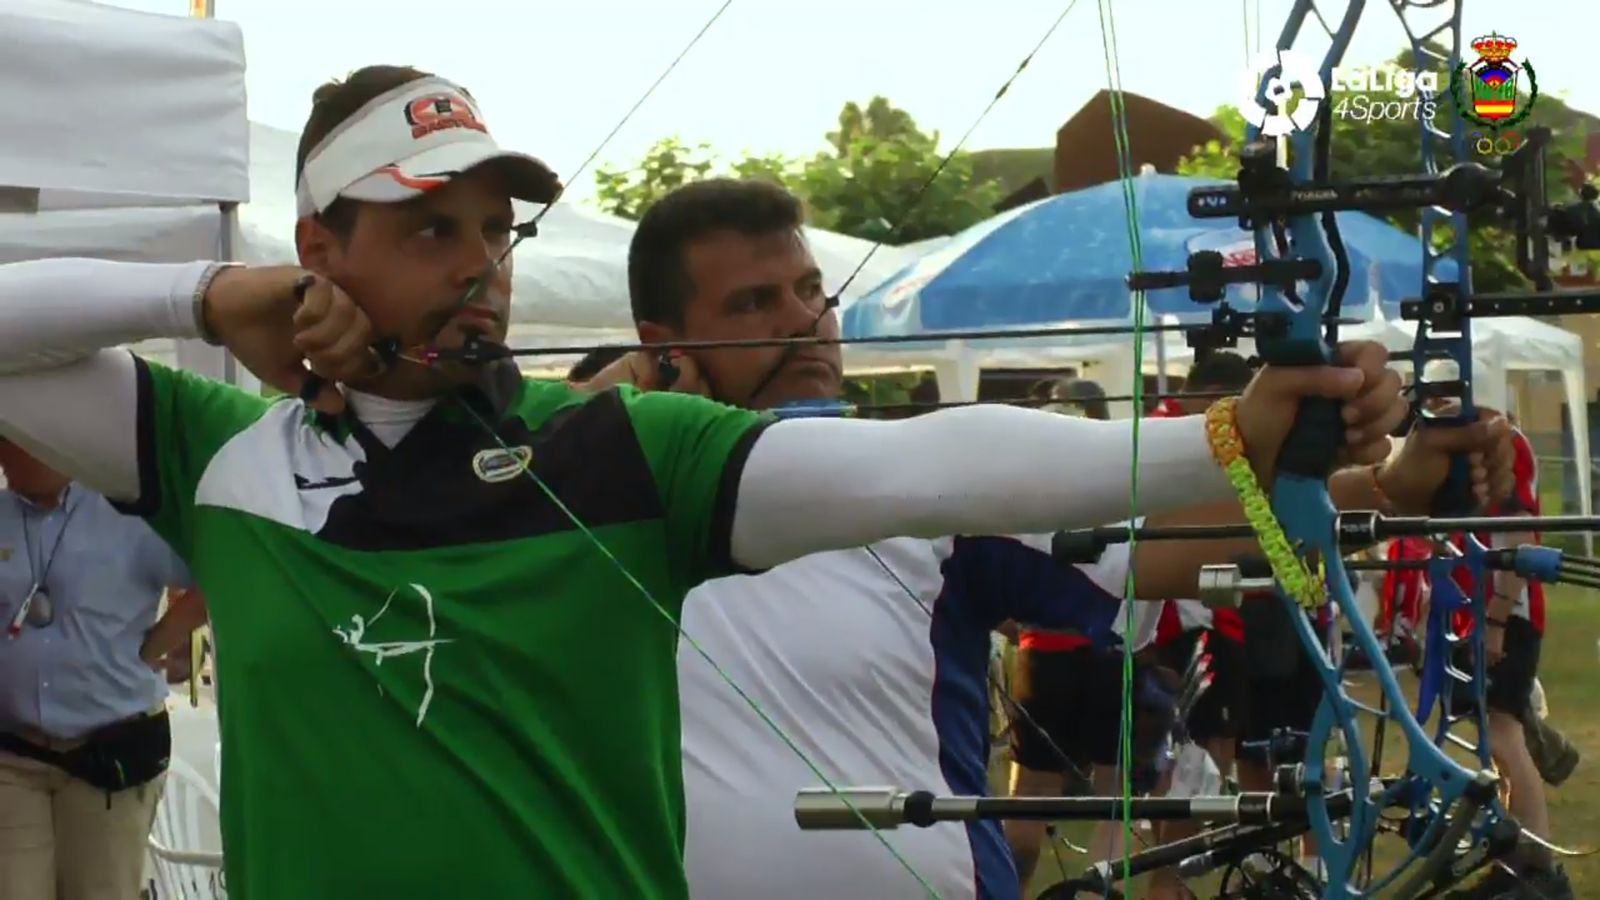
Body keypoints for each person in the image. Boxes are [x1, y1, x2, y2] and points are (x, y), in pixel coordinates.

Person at [0, 64, 1502, 896]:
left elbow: (922, 468)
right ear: (319, 251)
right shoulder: (214, 453)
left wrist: (1219, 438)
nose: (480, 274)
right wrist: (207, 298)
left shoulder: (619, 449)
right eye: (426, 231)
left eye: (493, 233)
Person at [578, 178, 1520, 898]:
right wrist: (600, 422)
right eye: (754, 305)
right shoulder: (568, 498)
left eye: (811, 290)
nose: (805, 321)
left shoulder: (918, 488)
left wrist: (1385, 492)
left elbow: (1161, 541)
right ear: (666, 343)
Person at [0, 439, 194, 900]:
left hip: (109, 757)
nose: (4, 457)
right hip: (14, 755)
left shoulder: (129, 514)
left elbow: (212, 573)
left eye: (12, 442)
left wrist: (160, 642)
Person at [1446, 421, 1572, 900]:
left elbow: (1522, 536)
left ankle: (1537, 866)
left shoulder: (1500, 440)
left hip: (1504, 612)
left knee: (1503, 733)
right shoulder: (1462, 437)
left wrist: (1496, 619)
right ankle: (1516, 859)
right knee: (1493, 737)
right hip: (1476, 611)